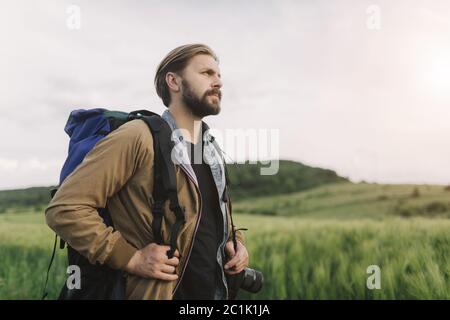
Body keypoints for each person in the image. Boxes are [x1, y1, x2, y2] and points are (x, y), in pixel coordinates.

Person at [45, 43, 249, 300]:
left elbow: (211, 215)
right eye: (206, 73)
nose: (218, 82)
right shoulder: (137, 137)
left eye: (219, 75)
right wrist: (130, 258)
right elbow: (64, 208)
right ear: (173, 81)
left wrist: (236, 241)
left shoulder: (211, 149)